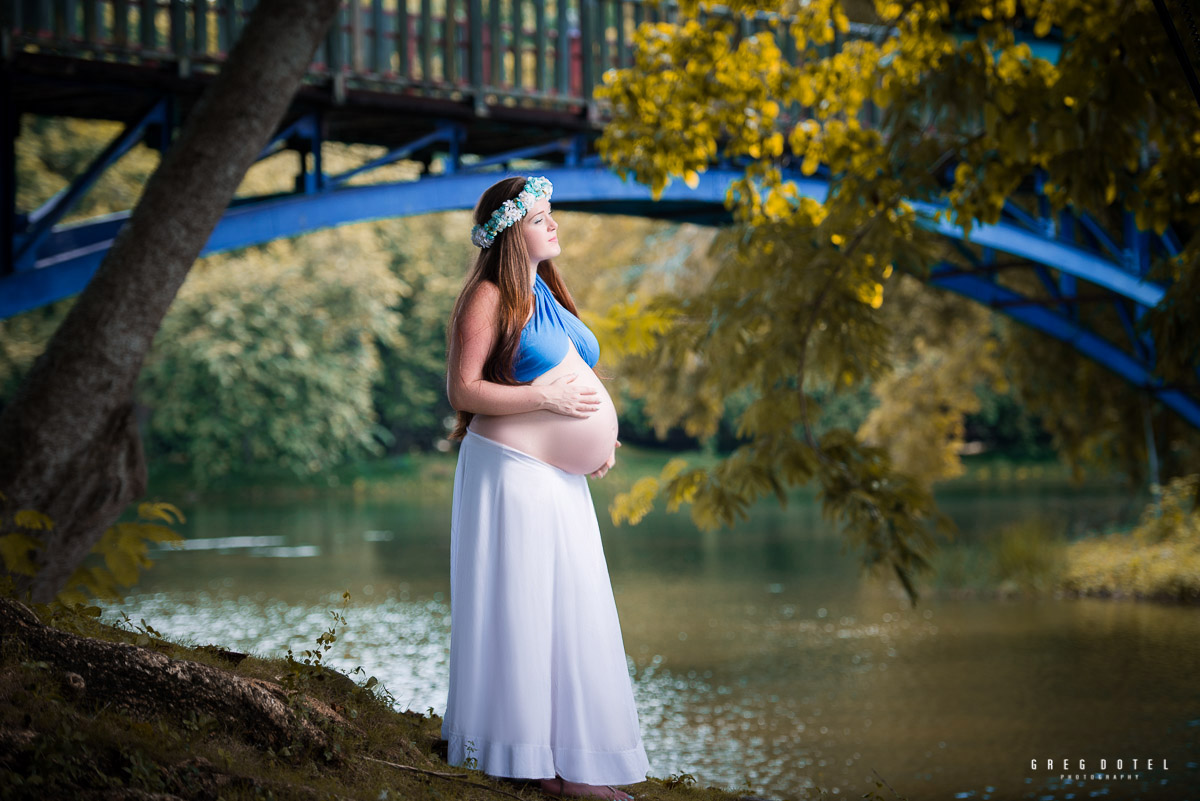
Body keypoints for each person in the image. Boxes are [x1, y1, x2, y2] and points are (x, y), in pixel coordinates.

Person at [440, 176, 650, 801]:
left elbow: (574, 377)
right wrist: (546, 400)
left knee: (572, 610)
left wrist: (595, 440)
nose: (553, 225)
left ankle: (579, 761)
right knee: (527, 610)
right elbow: (463, 390)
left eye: (551, 214)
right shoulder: (486, 296)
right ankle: (535, 765)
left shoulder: (545, 293)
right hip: (512, 474)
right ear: (511, 233)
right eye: (540, 217)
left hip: (557, 477)